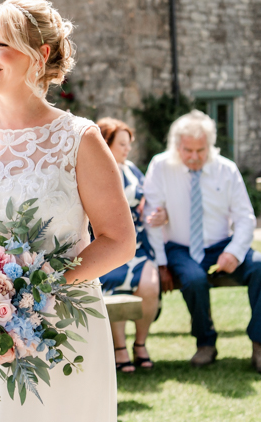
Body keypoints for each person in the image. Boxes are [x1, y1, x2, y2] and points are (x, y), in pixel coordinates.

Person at [0, 0, 136, 421]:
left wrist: (33, 292)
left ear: (39, 55)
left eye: (0, 44)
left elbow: (119, 240)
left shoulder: (80, 138)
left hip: (59, 330)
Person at [144, 110, 261, 373]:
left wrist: (235, 252)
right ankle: (205, 342)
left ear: (210, 146)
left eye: (200, 150)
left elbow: (245, 218)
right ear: (176, 146)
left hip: (220, 245)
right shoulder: (160, 166)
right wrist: (161, 263)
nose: (194, 157)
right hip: (179, 247)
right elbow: (152, 218)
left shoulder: (226, 170)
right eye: (187, 150)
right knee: (193, 280)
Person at [96, 117, 159, 372]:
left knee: (150, 286)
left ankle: (141, 342)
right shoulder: (96, 170)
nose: (127, 149)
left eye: (128, 144)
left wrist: (156, 214)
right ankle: (119, 347)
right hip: (106, 242)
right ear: (106, 143)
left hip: (138, 243)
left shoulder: (132, 170)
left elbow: (148, 202)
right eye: (122, 143)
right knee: (113, 286)